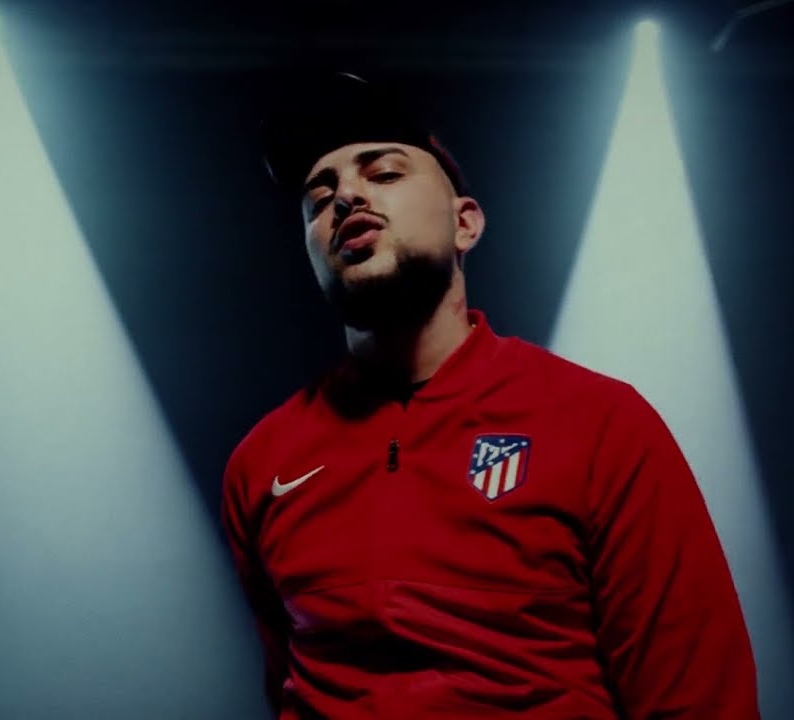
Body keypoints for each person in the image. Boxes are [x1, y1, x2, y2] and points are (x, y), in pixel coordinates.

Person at [220, 72, 759, 719]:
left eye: (384, 173)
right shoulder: (263, 462)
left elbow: (699, 697)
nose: (347, 197)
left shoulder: (599, 423)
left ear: (465, 223)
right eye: (318, 198)